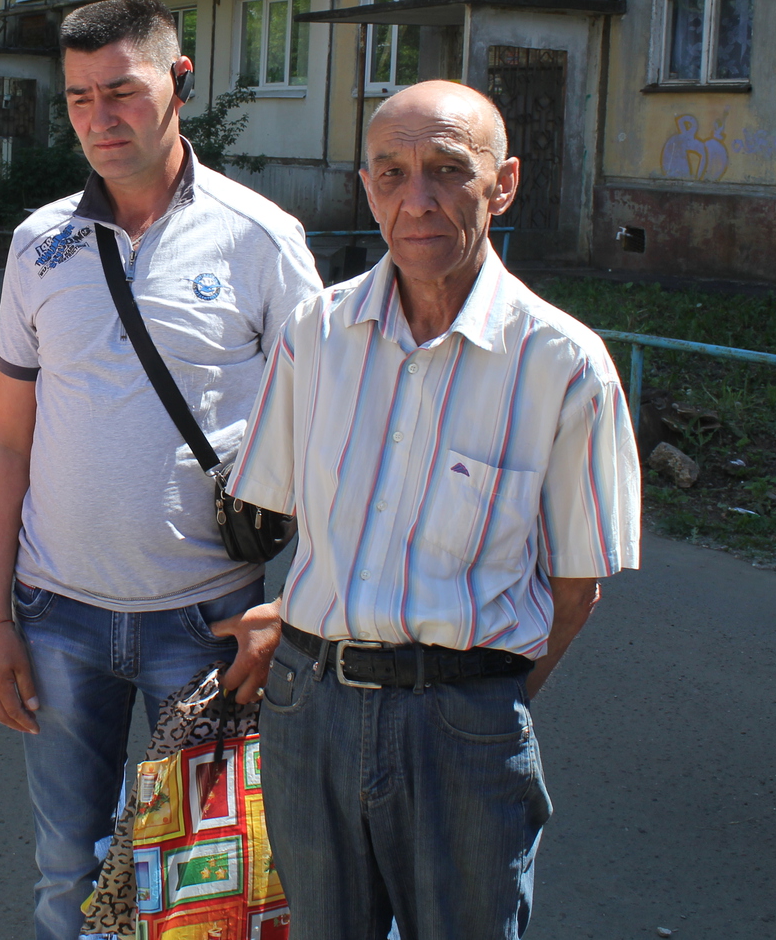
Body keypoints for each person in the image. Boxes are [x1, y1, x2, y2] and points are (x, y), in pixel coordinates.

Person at [224, 79, 640, 939]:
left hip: (462, 725)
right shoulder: (317, 331)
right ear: (366, 185)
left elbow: (576, 590)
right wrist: (302, 623)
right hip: (311, 715)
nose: (418, 200)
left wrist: (480, 708)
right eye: (391, 172)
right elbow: (297, 530)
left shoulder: (564, 364)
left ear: (504, 182)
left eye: (449, 170)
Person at [0, 0, 322, 940]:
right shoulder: (39, 243)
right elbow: (6, 438)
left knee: (203, 893)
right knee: (67, 873)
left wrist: (292, 610)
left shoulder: (261, 239)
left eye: (121, 90)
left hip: (207, 625)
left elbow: (338, 440)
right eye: (80, 97)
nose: (99, 117)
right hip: (56, 618)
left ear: (180, 80)